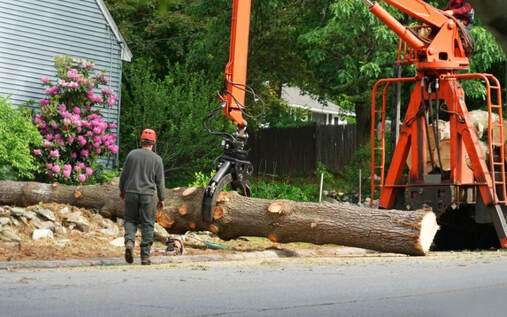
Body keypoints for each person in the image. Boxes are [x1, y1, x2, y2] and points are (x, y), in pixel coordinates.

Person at [119, 129, 165, 265]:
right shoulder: (157, 159)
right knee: (148, 224)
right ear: (154, 143)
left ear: (141, 141)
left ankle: (129, 243)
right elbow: (160, 181)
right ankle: (145, 257)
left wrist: (122, 190)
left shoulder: (132, 155)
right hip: (148, 196)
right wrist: (162, 198)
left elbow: (124, 175)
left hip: (131, 193)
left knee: (130, 220)